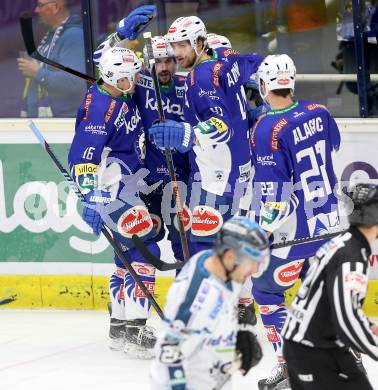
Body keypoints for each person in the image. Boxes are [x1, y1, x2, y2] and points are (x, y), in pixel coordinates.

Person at [249, 54, 341, 389]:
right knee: (317, 290)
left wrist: (260, 232)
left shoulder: (265, 130)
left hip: (295, 231)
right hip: (329, 220)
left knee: (266, 289)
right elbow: (333, 147)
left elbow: (275, 197)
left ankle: (291, 366)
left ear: (263, 85)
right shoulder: (320, 111)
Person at [68, 47, 160, 359]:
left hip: (128, 186)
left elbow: (111, 53)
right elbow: (82, 159)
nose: (133, 79)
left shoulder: (120, 94)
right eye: (126, 76)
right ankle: (136, 330)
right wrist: (92, 198)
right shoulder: (101, 108)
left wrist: (121, 34)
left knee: (125, 256)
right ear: (110, 76)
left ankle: (119, 327)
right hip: (114, 190)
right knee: (145, 248)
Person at [148, 16, 263, 256]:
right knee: (234, 252)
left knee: (204, 252)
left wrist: (186, 133)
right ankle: (241, 296)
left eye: (183, 45)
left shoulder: (199, 77)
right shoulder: (226, 64)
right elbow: (255, 62)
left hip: (216, 179)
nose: (177, 52)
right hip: (242, 175)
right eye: (174, 45)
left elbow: (221, 125)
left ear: (200, 43)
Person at [150, 216, 269, 390]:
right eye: (253, 262)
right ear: (229, 256)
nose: (256, 270)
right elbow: (168, 353)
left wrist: (239, 332)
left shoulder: (218, 264)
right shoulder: (197, 297)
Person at [282, 183, 378, 389]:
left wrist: (367, 327)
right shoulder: (353, 256)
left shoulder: (344, 242)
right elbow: (347, 319)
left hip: (307, 345)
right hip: (313, 351)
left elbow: (336, 305)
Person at [17, 0, 86, 117]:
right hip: (42, 124)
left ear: (55, 7)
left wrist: (37, 72)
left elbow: (75, 82)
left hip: (59, 126)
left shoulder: (73, 36)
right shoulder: (51, 35)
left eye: (40, 5)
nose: (36, 10)